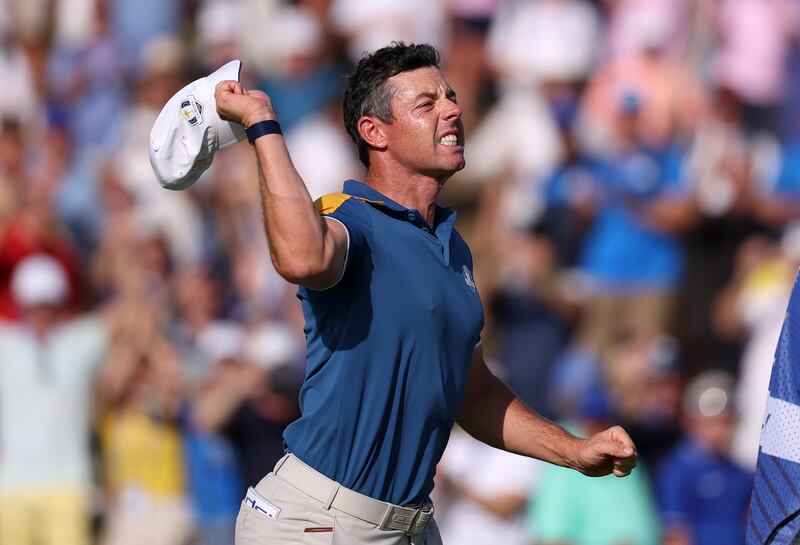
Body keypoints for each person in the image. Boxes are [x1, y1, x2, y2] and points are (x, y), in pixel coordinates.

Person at [212, 42, 638, 545]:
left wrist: (572, 450)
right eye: (427, 104)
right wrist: (262, 124)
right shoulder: (351, 217)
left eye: (450, 97)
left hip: (409, 526)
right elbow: (301, 257)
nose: (453, 109)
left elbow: (473, 391)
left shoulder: (454, 249)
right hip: (317, 522)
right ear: (375, 133)